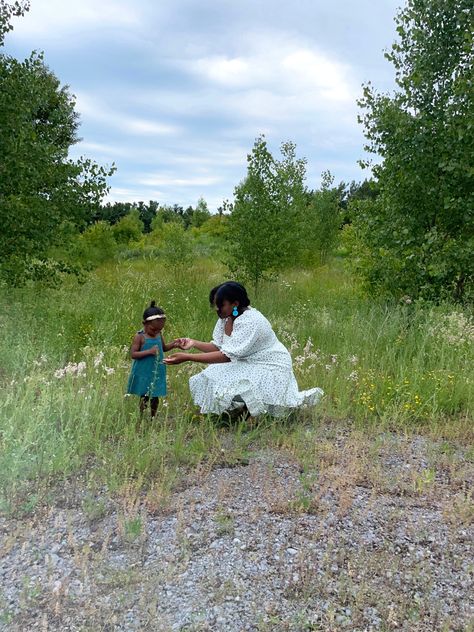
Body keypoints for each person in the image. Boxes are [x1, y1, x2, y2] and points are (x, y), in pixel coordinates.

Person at [164, 282, 323, 417]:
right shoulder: (226, 318)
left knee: (225, 376)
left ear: (235, 303)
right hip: (249, 362)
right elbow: (219, 347)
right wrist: (193, 343)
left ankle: (253, 413)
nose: (217, 309)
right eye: (215, 305)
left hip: (271, 367)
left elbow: (226, 356)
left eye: (221, 305)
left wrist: (188, 357)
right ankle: (241, 410)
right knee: (211, 374)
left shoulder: (251, 320)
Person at [127, 301, 180, 417]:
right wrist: (149, 352)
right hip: (144, 370)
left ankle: (152, 417)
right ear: (144, 324)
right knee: (144, 395)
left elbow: (164, 348)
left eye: (159, 330)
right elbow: (133, 354)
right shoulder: (140, 337)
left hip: (156, 370)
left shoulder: (158, 334)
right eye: (153, 329)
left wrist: (175, 344)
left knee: (155, 396)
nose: (156, 332)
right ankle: (141, 415)